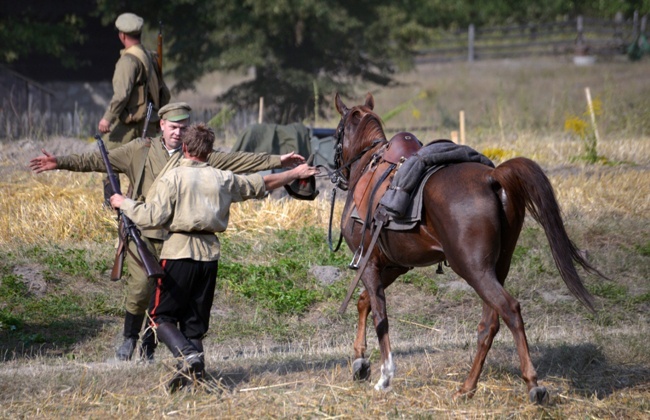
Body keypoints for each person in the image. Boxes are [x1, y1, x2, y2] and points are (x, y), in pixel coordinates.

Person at [29, 102, 306, 362]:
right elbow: (97, 160)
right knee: (140, 289)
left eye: (183, 127)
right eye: (173, 127)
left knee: (164, 298)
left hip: (175, 240)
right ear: (161, 125)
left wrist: (279, 160)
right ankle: (129, 338)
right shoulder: (140, 149)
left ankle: (154, 342)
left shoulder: (197, 154)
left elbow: (238, 161)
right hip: (144, 233)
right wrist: (60, 162)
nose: (178, 132)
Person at [109, 123, 319, 391]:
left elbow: (153, 217)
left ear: (184, 148)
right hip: (209, 258)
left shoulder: (172, 178)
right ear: (209, 151)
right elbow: (261, 184)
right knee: (194, 325)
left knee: (159, 317)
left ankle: (188, 357)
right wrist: (294, 173)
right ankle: (195, 379)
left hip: (178, 253)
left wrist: (123, 203)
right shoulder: (223, 178)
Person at [99, 12, 171, 205]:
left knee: (106, 157)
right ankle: (138, 200)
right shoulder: (148, 56)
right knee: (140, 162)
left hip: (133, 122)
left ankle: (113, 203)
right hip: (150, 119)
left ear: (122, 36)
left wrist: (107, 118)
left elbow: (121, 94)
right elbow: (164, 91)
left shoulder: (128, 61)